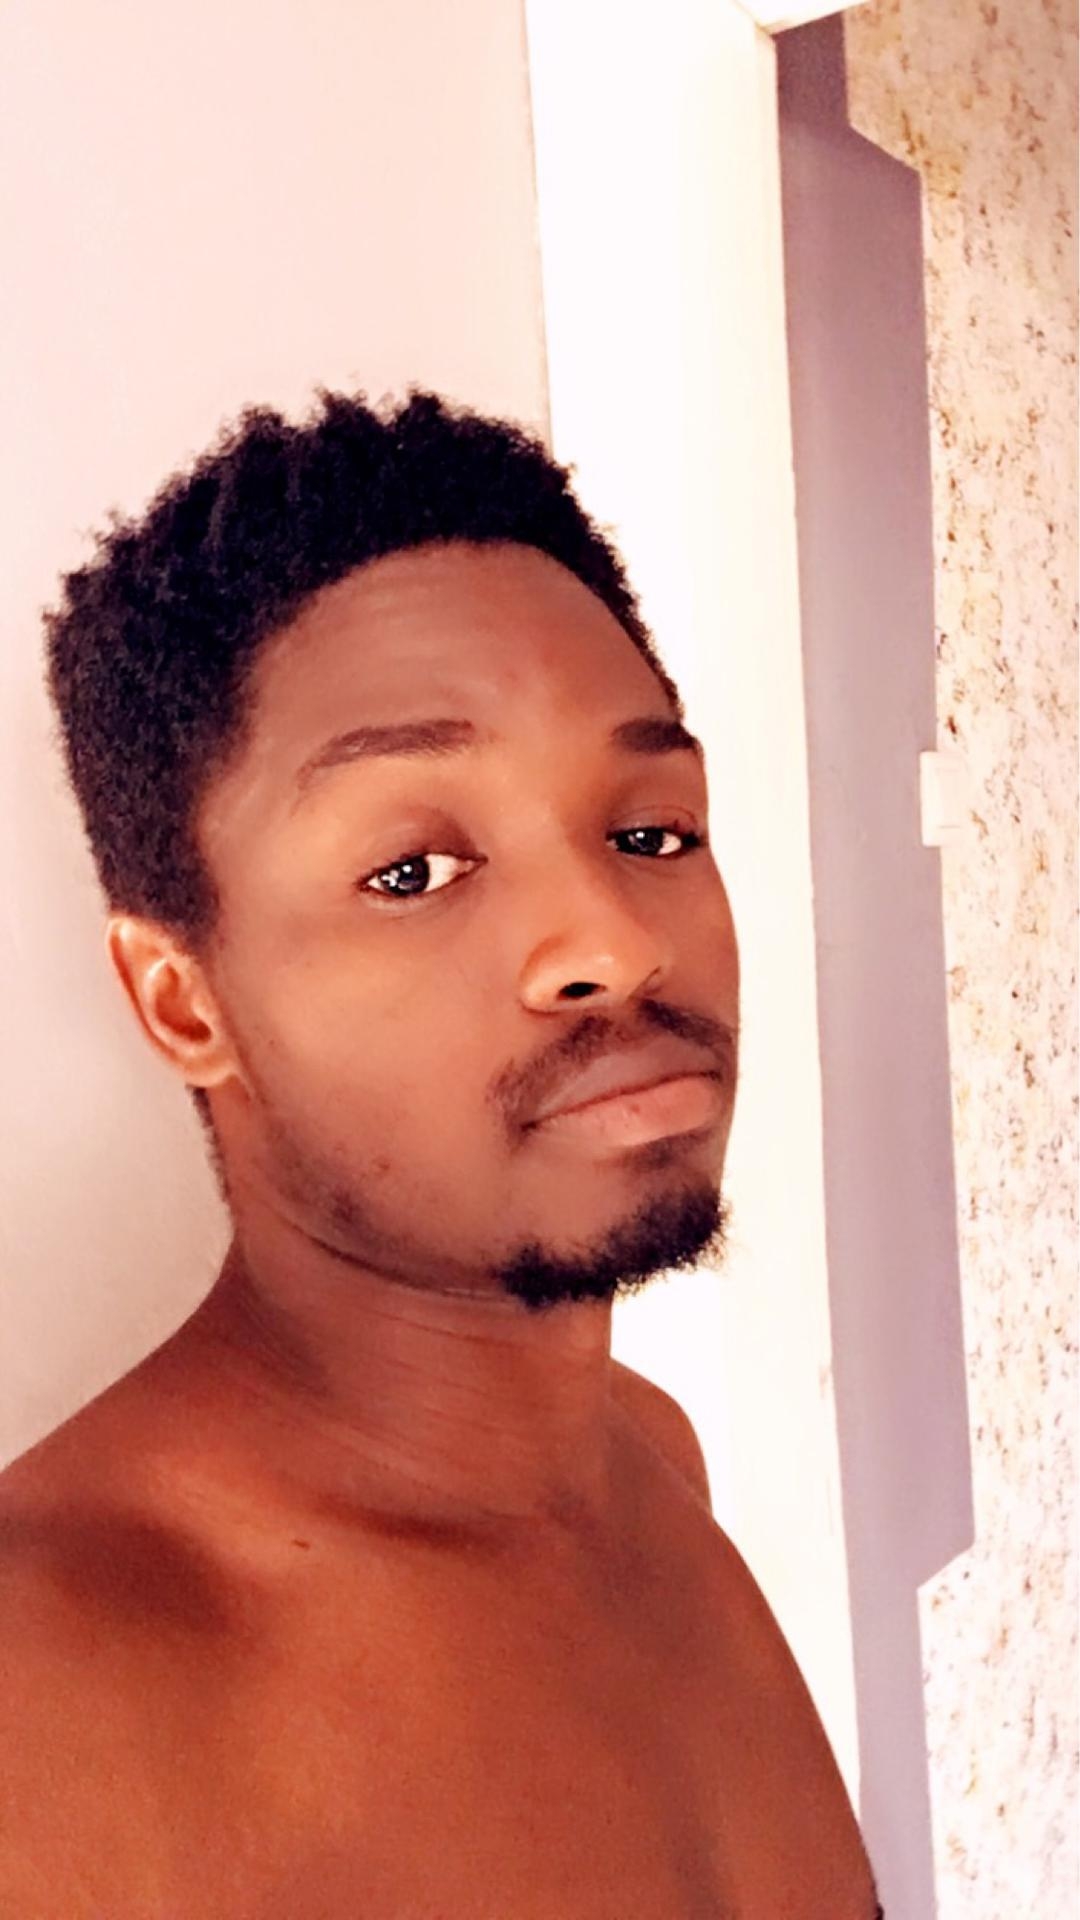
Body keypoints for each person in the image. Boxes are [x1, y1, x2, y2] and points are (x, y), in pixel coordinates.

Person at [1, 391, 882, 1916]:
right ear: (184, 1001)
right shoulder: (48, 1700)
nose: (611, 942)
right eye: (413, 870)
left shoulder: (653, 1467)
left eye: (652, 833)